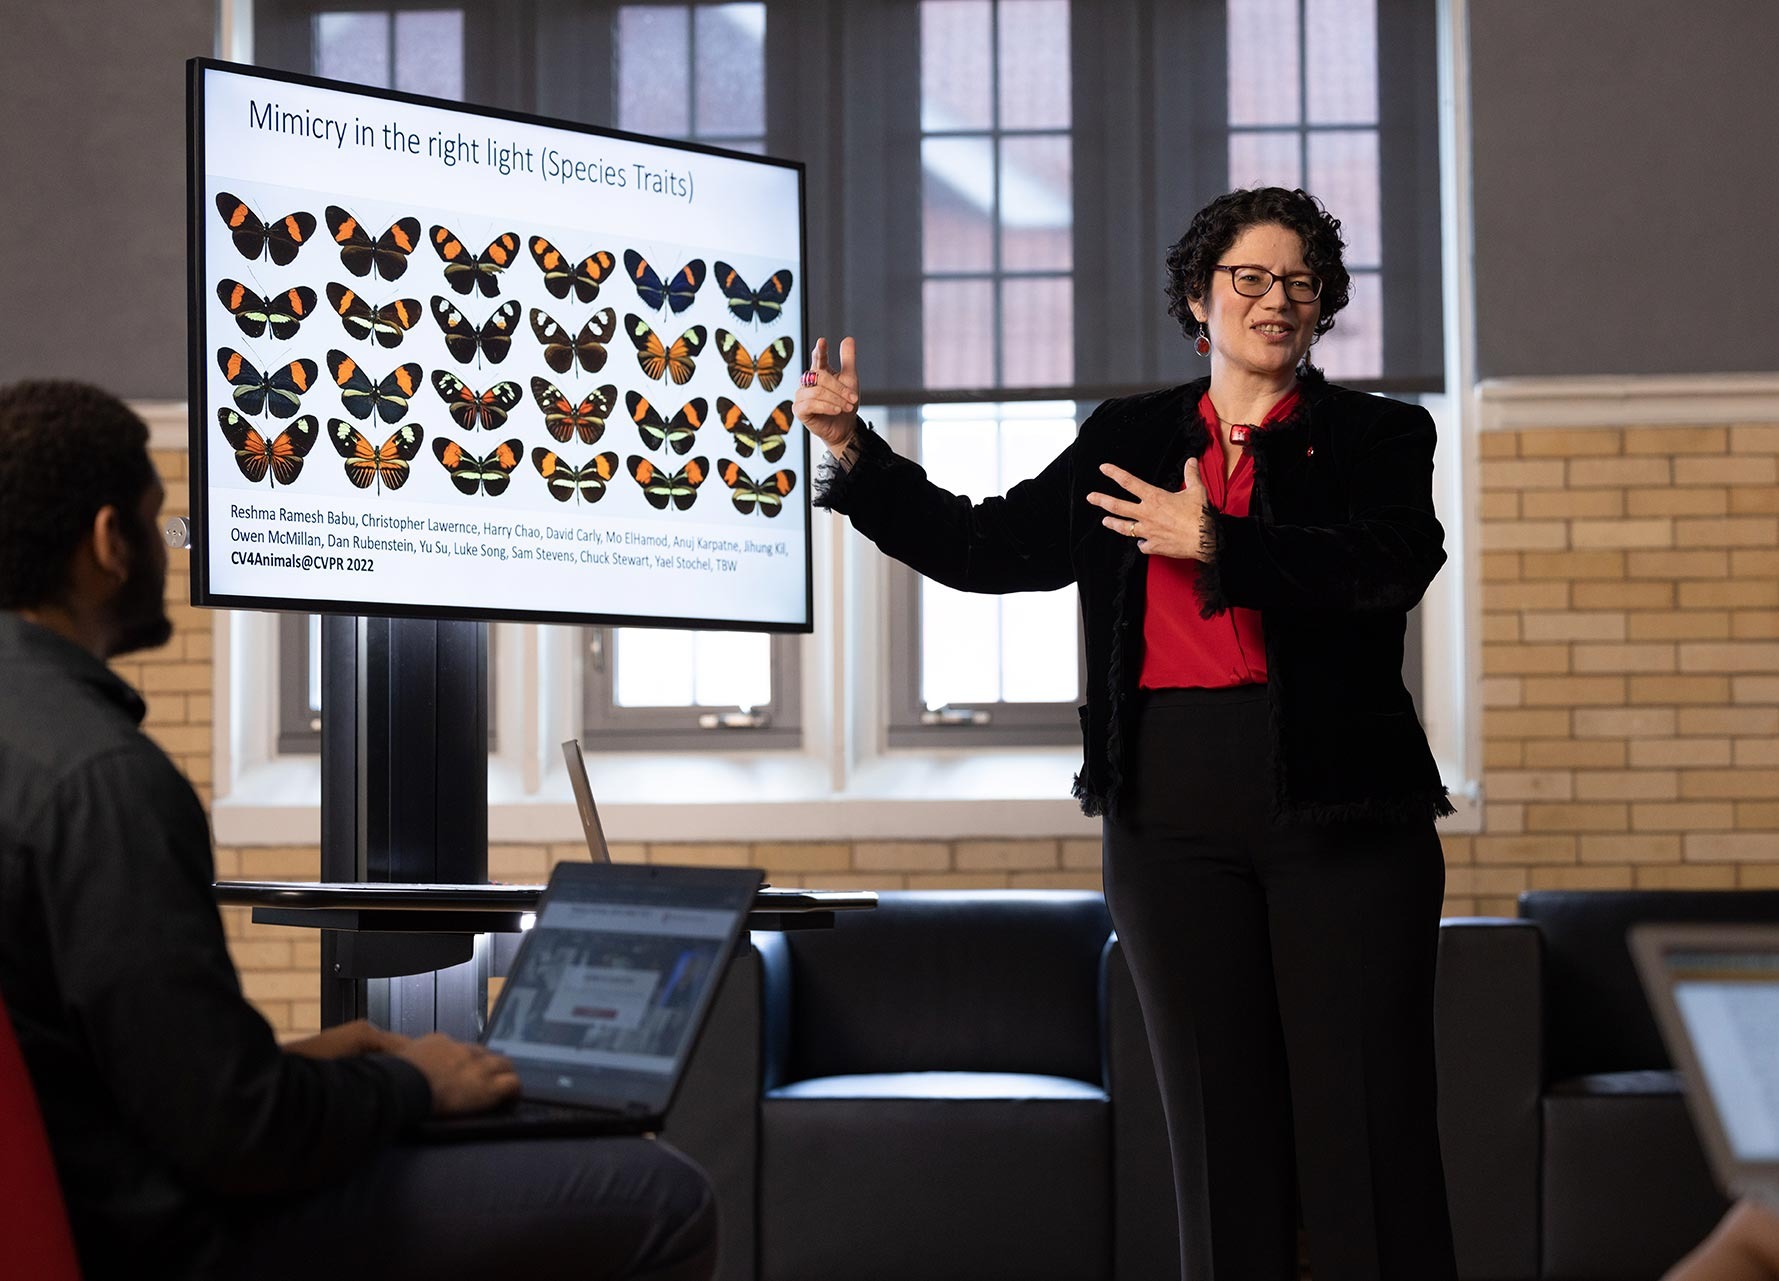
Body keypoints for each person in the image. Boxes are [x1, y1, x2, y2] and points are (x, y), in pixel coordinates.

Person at [795, 186, 1457, 1280]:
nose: (1275, 299)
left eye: (1300, 281)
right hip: (1167, 810)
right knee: (1216, 1127)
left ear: (1323, 304)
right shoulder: (1129, 436)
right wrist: (856, 451)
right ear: (1201, 298)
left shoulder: (1380, 435)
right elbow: (991, 547)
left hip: (1345, 811)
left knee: (1367, 1128)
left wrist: (1219, 538)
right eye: (1250, 277)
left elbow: (1386, 569)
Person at [0, 380, 717, 1281]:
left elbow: (121, 1072)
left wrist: (294, 1062)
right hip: (178, 1238)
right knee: (660, 1194)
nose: (163, 550)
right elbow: (237, 1134)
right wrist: (415, 1083)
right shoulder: (103, 782)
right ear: (109, 542)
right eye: (155, 522)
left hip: (78, 1205)